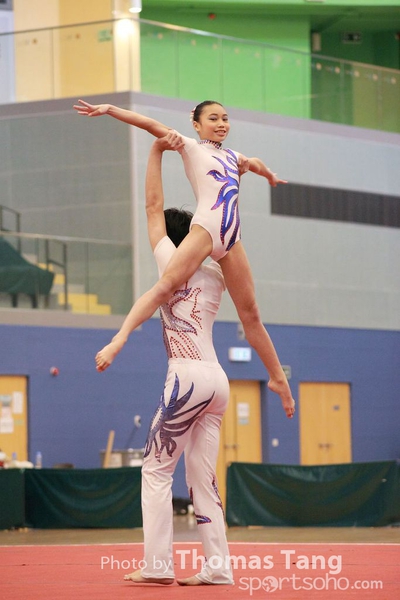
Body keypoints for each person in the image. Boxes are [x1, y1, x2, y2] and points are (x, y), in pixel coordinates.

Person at [73, 98, 295, 419]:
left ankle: (277, 379)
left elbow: (253, 162)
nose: (221, 124)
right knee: (165, 287)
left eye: (225, 118)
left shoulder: (234, 157)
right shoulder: (191, 147)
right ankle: (119, 339)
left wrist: (268, 174)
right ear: (196, 124)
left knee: (251, 314)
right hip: (206, 230)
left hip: (231, 238)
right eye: (213, 118)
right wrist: (110, 110)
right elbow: (150, 125)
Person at [126, 133, 233, 585]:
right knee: (202, 477)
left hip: (186, 378)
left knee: (155, 468)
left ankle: (157, 565)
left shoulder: (170, 259)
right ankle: (218, 567)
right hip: (219, 381)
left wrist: (155, 151)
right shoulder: (217, 270)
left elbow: (153, 207)